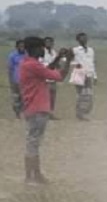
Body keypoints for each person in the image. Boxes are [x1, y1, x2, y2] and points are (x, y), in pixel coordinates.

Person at [18, 37, 70, 184]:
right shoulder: (34, 65)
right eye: (41, 47)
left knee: (33, 142)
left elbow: (47, 71)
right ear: (34, 49)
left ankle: (35, 175)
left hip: (32, 108)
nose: (43, 50)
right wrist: (68, 61)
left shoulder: (28, 64)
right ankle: (31, 176)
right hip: (38, 108)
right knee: (33, 143)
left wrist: (59, 57)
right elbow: (59, 76)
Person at [71, 32, 97, 120]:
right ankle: (79, 113)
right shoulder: (75, 50)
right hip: (79, 73)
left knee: (88, 94)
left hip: (88, 74)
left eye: (85, 38)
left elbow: (92, 63)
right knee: (81, 94)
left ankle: (84, 111)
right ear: (78, 40)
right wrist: (75, 64)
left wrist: (95, 76)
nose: (84, 40)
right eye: (82, 38)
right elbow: (66, 60)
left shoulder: (91, 50)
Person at [40, 36, 60, 120]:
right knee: (44, 97)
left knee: (52, 97)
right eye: (47, 42)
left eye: (50, 42)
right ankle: (43, 113)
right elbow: (41, 65)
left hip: (52, 78)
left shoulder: (53, 52)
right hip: (44, 78)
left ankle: (50, 113)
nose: (49, 43)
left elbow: (56, 64)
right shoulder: (41, 52)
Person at [8, 38, 26, 119]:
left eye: (23, 46)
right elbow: (10, 69)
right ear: (17, 47)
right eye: (20, 46)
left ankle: (23, 112)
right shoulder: (13, 55)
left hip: (25, 80)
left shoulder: (27, 55)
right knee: (16, 97)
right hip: (16, 80)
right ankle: (17, 113)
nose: (22, 47)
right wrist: (11, 81)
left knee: (24, 97)